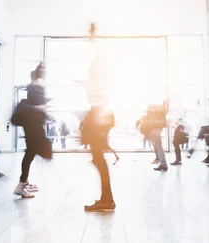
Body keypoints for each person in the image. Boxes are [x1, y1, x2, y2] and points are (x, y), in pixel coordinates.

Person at [82, 23, 115, 211]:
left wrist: (93, 36)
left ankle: (107, 200)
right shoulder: (99, 69)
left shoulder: (100, 68)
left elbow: (101, 95)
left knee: (99, 160)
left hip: (98, 115)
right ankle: (106, 198)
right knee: (98, 159)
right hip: (98, 114)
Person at [14, 63, 50, 198]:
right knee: (30, 153)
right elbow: (32, 107)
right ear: (39, 70)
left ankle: (24, 182)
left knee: (30, 153)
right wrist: (40, 108)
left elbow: (33, 105)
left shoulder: (35, 85)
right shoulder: (35, 86)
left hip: (32, 125)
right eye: (44, 69)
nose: (45, 71)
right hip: (32, 126)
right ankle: (21, 184)